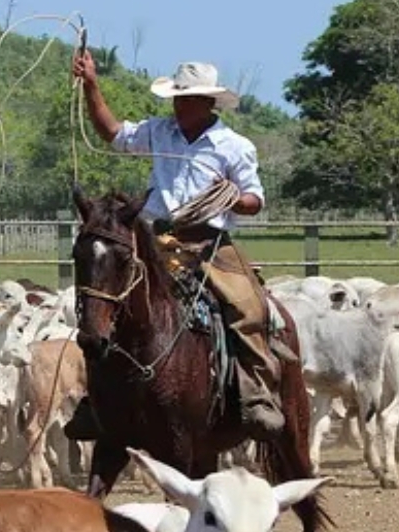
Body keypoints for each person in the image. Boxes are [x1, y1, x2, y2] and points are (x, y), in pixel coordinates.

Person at [63, 52, 292, 441]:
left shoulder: (232, 146)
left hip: (208, 241)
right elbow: (112, 133)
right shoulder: (159, 130)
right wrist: (91, 85)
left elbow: (255, 200)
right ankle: (99, 399)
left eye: (187, 98)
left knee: (249, 305)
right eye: (177, 97)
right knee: (109, 300)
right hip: (153, 240)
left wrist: (231, 198)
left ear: (208, 103)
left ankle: (255, 394)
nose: (179, 104)